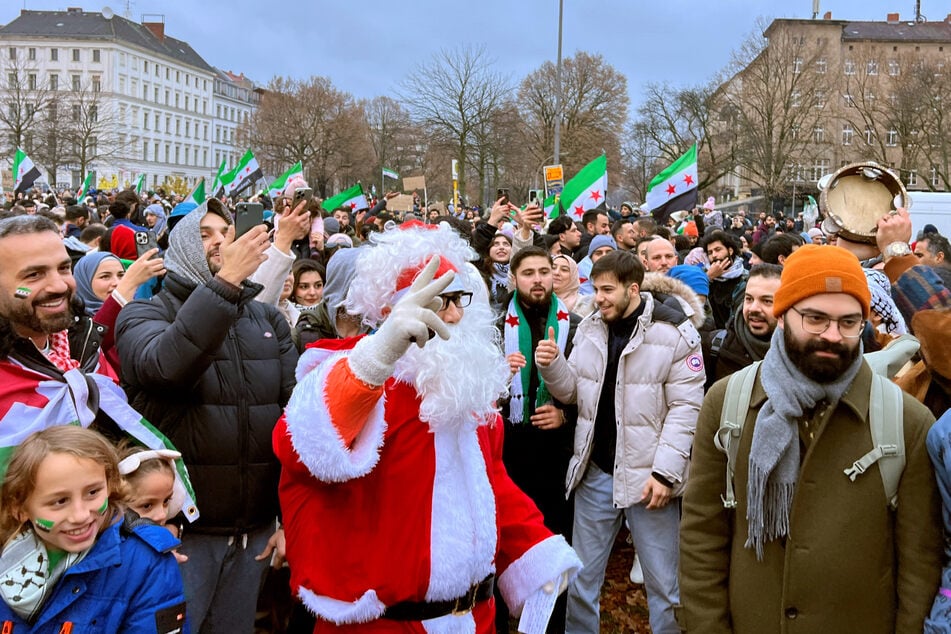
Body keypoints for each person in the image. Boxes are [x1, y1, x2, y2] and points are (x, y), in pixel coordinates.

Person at [273, 223, 581, 631]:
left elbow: (489, 484)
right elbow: (300, 447)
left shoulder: (463, 385)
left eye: (457, 299)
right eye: (439, 301)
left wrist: (534, 552)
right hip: (385, 621)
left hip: (475, 616)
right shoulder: (355, 373)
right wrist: (380, 353)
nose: (454, 315)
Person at [679, 244, 943, 634]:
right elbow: (702, 536)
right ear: (783, 315)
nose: (832, 336)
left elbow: (918, 564)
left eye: (849, 322)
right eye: (815, 318)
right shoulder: (727, 404)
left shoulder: (906, 420)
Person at [115, 198, 297, 633]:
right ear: (180, 247)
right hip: (178, 535)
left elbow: (296, 425)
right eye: (205, 234)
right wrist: (229, 281)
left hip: (254, 533)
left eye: (226, 233)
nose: (220, 242)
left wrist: (290, 518)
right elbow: (165, 369)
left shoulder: (268, 319)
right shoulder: (144, 314)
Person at [536, 250, 705, 634]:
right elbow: (575, 393)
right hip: (595, 473)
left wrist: (665, 473)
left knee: (665, 588)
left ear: (633, 289)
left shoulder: (675, 334)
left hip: (649, 480)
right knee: (581, 581)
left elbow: (686, 410)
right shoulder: (591, 328)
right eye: (595, 289)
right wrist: (551, 366)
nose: (599, 298)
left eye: (607, 290)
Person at [0, 426, 187, 632]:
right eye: (60, 501)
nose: (81, 515)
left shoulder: (146, 563)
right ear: (20, 509)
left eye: (93, 492)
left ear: (110, 485)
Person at [499, 246, 580, 633]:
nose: (537, 279)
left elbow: (593, 389)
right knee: (503, 546)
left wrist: (565, 416)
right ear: (514, 278)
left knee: (553, 543)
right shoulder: (496, 323)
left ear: (555, 276)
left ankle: (551, 624)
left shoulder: (576, 324)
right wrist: (500, 376)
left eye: (544, 271)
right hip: (507, 454)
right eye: (528, 272)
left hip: (555, 455)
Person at [73, 250, 165, 373]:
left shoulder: (137, 312)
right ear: (84, 282)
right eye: (105, 276)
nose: (117, 283)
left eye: (122, 275)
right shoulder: (73, 324)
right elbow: (94, 341)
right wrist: (128, 285)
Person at [710, 263, 783, 383]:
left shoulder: (802, 354)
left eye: (767, 301)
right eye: (749, 299)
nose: (754, 308)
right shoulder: (714, 347)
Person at [702, 230, 748, 329]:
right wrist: (707, 278)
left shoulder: (745, 279)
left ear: (730, 251)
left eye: (718, 250)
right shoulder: (702, 276)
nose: (714, 255)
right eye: (710, 252)